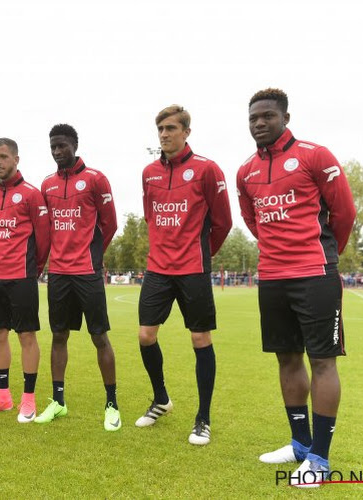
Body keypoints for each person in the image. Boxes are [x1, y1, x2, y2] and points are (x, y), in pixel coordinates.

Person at [236, 88, 356, 487]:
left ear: (285, 117)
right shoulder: (245, 171)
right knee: (286, 359)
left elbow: (344, 212)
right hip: (271, 276)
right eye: (253, 117)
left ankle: (320, 460)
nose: (259, 123)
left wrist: (323, 253)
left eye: (267, 116)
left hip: (314, 273)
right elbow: (253, 221)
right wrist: (277, 250)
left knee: (322, 361)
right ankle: (301, 445)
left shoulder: (314, 155)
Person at [137, 105, 232, 445]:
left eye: (171, 128)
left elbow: (223, 223)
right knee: (146, 335)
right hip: (158, 268)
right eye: (160, 128)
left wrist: (201, 253)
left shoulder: (207, 170)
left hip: (193, 268)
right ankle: (161, 399)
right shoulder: (149, 172)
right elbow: (151, 215)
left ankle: (203, 418)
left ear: (186, 132)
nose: (164, 134)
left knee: (200, 339)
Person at [37, 124, 121, 431]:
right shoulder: (46, 184)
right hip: (57, 273)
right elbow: (45, 229)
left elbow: (109, 224)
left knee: (99, 336)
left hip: (86, 272)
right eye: (53, 147)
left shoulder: (95, 179)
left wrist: (94, 256)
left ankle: (111, 404)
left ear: (74, 144)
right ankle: (58, 401)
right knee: (59, 336)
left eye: (62, 146)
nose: (57, 151)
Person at [0, 138, 50, 423]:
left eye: (3, 156)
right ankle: (2, 396)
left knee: (26, 336)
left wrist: (33, 268)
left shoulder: (31, 194)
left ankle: (28, 399)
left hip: (22, 276)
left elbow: (43, 238)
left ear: (16, 158)